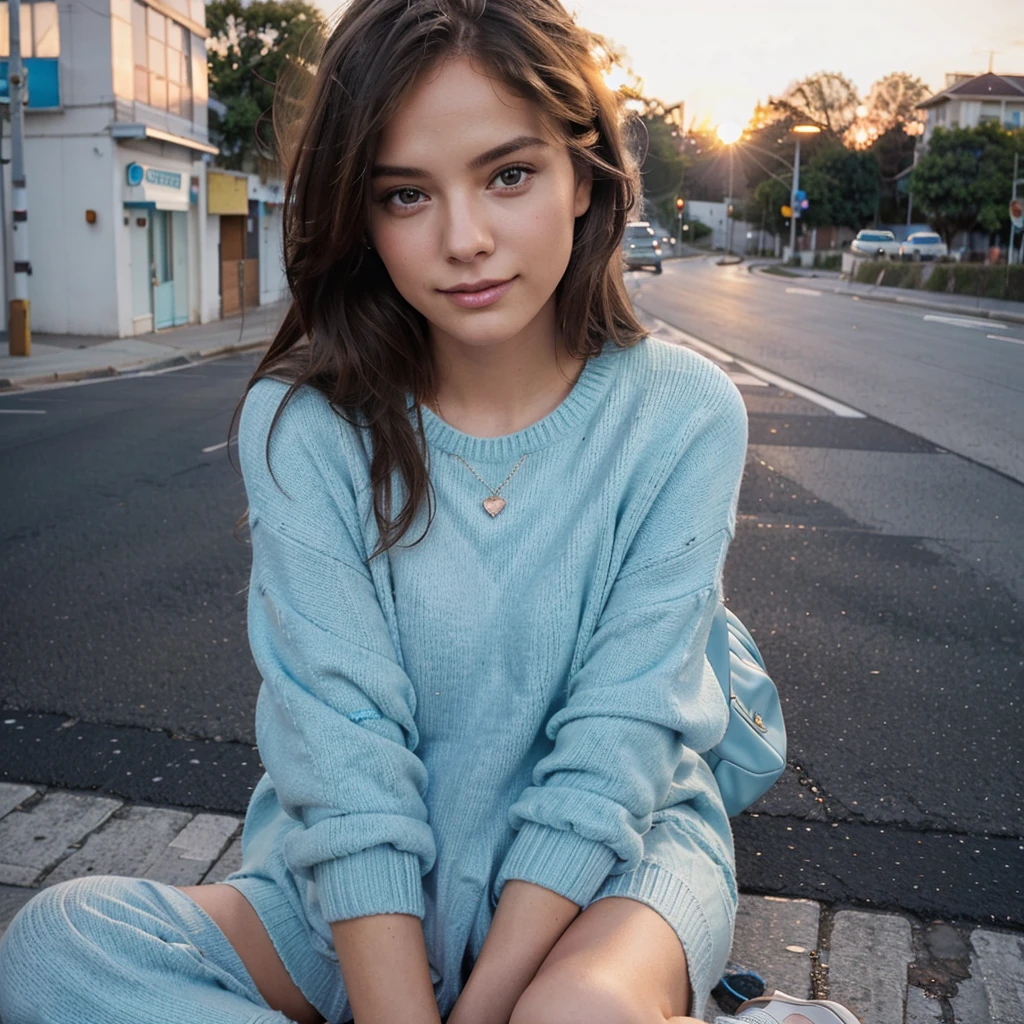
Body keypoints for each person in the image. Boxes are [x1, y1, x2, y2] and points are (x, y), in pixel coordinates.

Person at [0, 2, 862, 1023]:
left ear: (583, 174)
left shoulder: (681, 413)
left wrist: (481, 1007)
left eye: (509, 174)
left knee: (565, 1016)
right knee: (58, 951)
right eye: (406, 194)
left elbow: (615, 746)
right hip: (357, 896)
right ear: (361, 218)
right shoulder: (305, 422)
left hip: (606, 876)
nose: (464, 240)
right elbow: (341, 753)